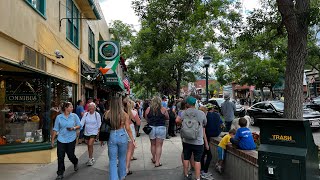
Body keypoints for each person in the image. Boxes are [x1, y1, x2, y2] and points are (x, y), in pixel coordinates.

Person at [103, 96, 136, 180]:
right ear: (119, 104)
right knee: (122, 158)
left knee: (112, 160)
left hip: (111, 136)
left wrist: (102, 139)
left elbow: (103, 127)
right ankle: (122, 176)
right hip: (122, 135)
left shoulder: (107, 113)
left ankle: (114, 178)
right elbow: (128, 128)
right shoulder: (124, 114)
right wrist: (132, 139)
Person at [176, 96, 207, 180]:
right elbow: (205, 123)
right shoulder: (201, 113)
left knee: (186, 157)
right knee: (197, 160)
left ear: (187, 104)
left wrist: (182, 125)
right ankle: (197, 178)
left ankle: (186, 174)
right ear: (195, 103)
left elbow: (177, 121)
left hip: (186, 140)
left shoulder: (183, 113)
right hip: (198, 141)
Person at [51, 102, 81, 180]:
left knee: (71, 155)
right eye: (70, 107)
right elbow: (55, 129)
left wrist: (73, 128)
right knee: (60, 157)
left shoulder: (74, 116)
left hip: (71, 139)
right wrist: (52, 140)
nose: (72, 108)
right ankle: (60, 173)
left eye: (72, 107)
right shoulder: (59, 117)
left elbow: (79, 125)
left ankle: (75, 162)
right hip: (61, 139)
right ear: (66, 108)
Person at [145, 96, 169, 167]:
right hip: (161, 128)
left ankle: (154, 158)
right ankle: (157, 162)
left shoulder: (148, 109)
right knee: (159, 146)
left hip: (151, 128)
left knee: (153, 144)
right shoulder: (163, 109)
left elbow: (146, 117)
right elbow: (167, 117)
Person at [200, 104, 223, 178]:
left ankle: (203, 170)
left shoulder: (204, 117)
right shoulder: (216, 115)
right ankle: (204, 171)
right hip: (209, 136)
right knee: (209, 155)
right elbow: (222, 124)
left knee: (203, 155)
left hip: (205, 137)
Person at [123, 98, 141, 175]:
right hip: (131, 130)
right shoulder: (134, 112)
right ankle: (126, 168)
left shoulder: (120, 113)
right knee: (129, 151)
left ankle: (122, 167)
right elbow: (139, 123)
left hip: (121, 130)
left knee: (122, 151)